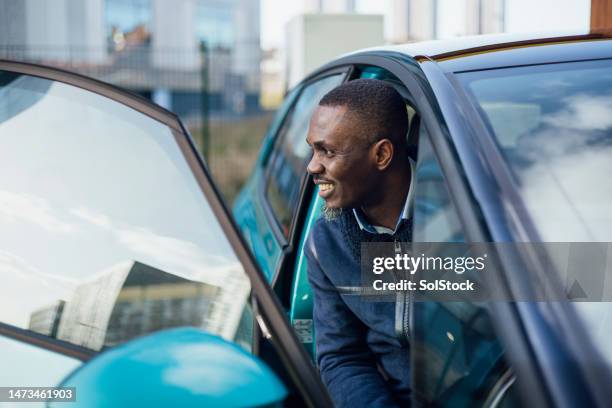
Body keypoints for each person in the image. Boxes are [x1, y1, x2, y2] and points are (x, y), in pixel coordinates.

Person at [304, 78, 414, 408]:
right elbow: (342, 357)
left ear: (381, 154)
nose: (311, 166)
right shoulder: (327, 240)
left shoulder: (470, 219)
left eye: (327, 151)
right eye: (312, 148)